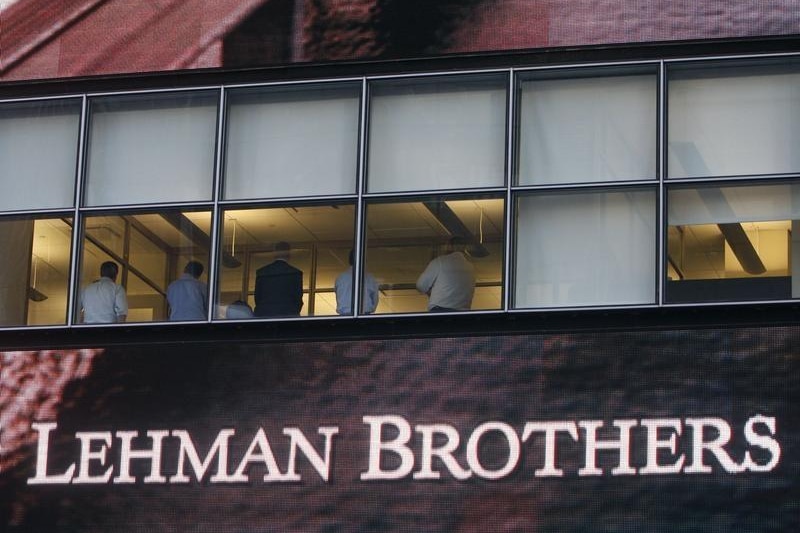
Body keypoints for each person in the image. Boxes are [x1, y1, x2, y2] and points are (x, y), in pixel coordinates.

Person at [416, 236, 475, 312]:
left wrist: (431, 292)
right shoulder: (471, 268)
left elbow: (421, 285)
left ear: (450, 246)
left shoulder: (440, 262)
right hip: (463, 313)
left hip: (440, 310)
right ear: (464, 248)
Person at [254, 241, 303, 317]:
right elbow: (298, 298)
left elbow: (258, 297)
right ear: (289, 254)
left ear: (275, 253)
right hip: (288, 314)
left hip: (264, 314)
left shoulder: (262, 272)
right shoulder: (295, 273)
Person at [334, 250, 379, 315]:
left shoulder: (340, 278)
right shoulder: (370, 278)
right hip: (364, 315)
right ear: (364, 260)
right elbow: (375, 300)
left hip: (344, 317)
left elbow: (338, 296)